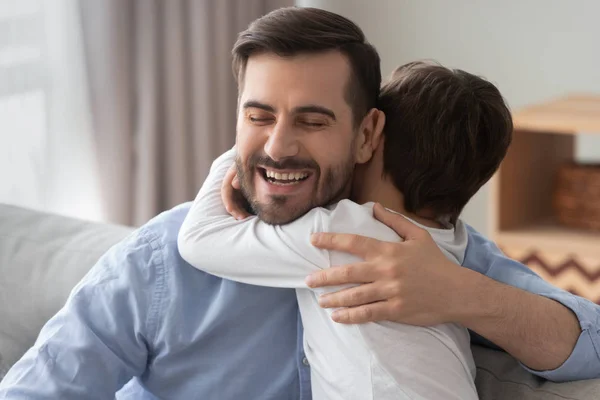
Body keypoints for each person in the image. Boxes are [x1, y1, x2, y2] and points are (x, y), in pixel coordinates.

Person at [1, 7, 599, 400]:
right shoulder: (163, 259)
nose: (278, 147)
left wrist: (460, 295)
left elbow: (589, 339)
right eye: (258, 117)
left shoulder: (429, 257)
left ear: (368, 136)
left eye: (312, 121)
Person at [178, 60, 516, 400]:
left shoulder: (343, 234)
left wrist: (246, 154)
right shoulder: (452, 240)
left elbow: (198, 240)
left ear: (371, 139)